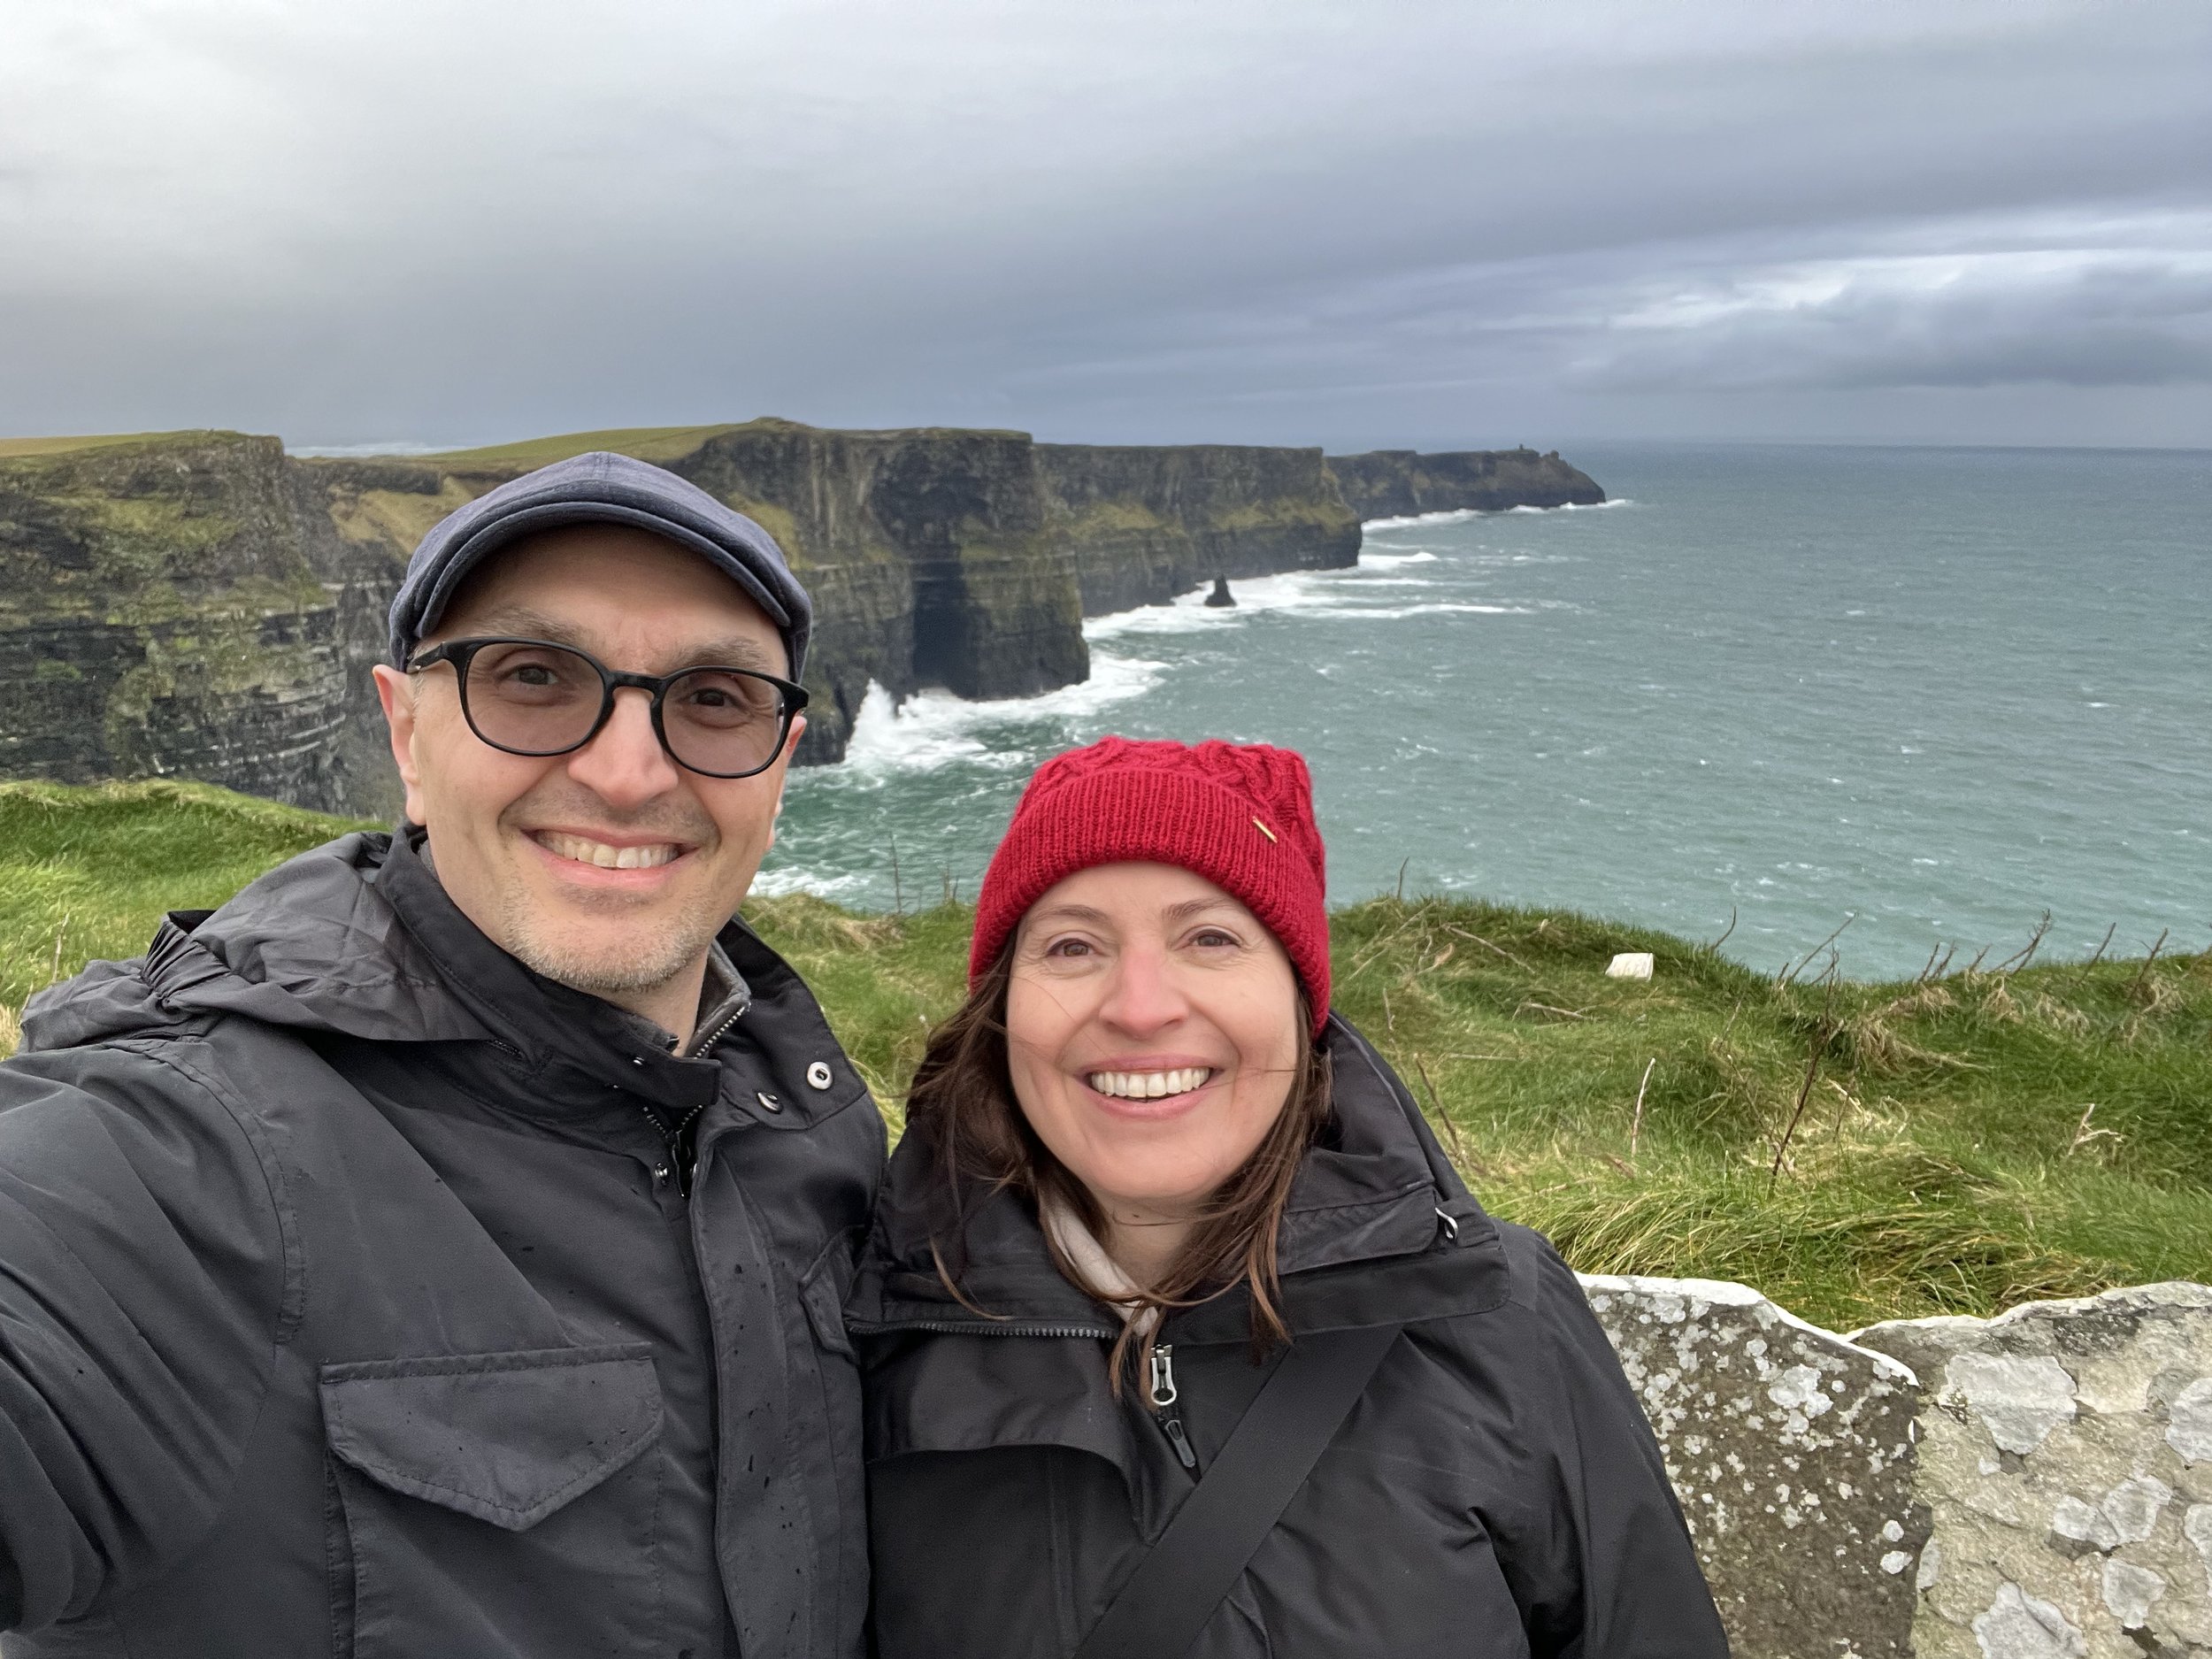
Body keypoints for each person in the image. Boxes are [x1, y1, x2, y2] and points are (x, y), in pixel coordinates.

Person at [0, 454, 881, 1658]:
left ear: (783, 755)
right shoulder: (194, 1158)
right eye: (532, 677)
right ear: (408, 732)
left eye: (715, 696)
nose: (628, 773)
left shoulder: (816, 1125)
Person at [849, 737, 1729, 1657]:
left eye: (1211, 938)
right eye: (1072, 945)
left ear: (1300, 1003)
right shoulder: (873, 1329)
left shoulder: (1497, 1311)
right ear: (1002, 1010)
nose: (1141, 1006)